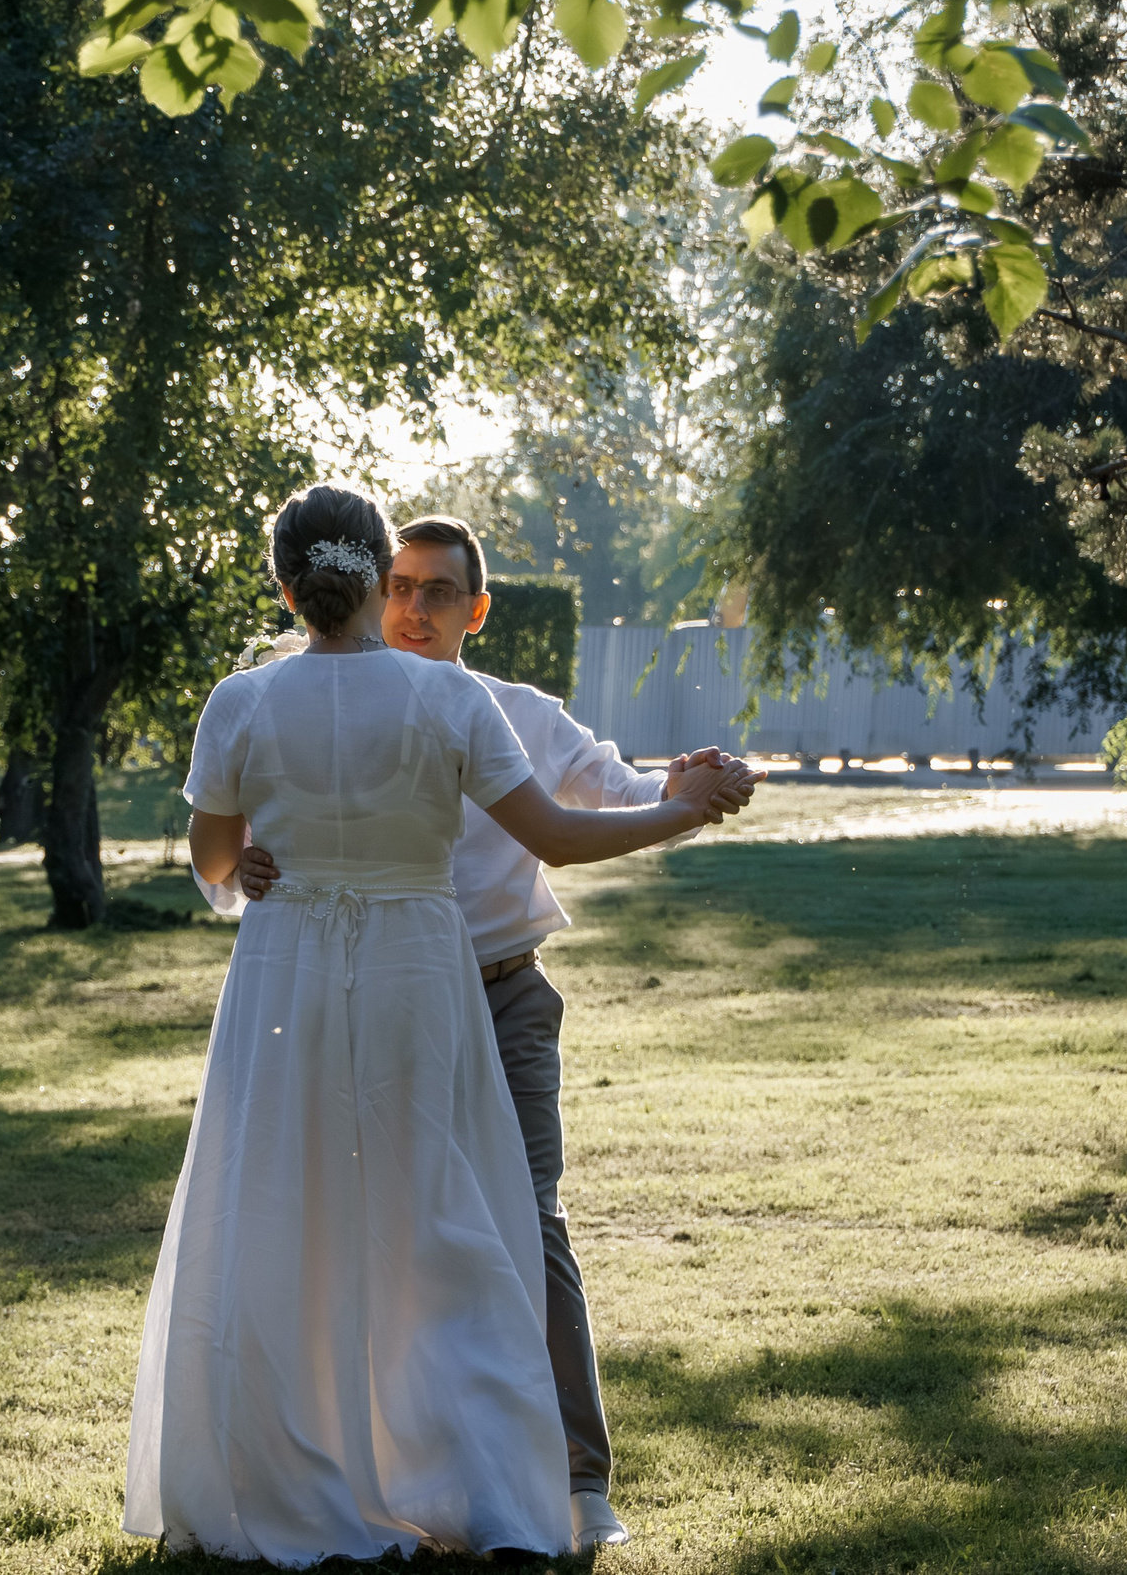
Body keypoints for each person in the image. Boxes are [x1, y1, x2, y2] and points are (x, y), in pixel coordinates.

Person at [124, 484, 754, 1564]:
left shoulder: (241, 699)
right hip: (422, 974)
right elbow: (556, 834)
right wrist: (682, 811)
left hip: (295, 980)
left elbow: (216, 859)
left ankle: (294, 1472)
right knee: (452, 1222)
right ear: (375, 580)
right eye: (402, 584)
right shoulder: (451, 706)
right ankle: (480, 1481)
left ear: (287, 587)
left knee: (284, 1214)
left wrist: (262, 861)